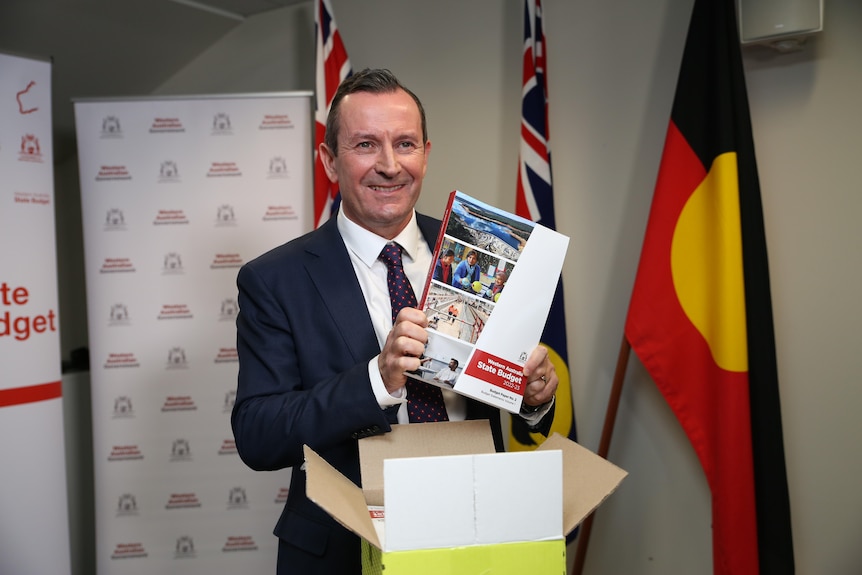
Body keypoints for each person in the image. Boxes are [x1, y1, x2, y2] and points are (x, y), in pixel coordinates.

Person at [232, 68, 557, 575]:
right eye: (365, 144)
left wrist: (533, 396)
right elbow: (257, 434)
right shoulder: (274, 279)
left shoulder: (481, 253)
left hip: (477, 541)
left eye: (404, 144)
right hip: (344, 552)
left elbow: (504, 393)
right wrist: (374, 381)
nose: (389, 165)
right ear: (329, 160)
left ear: (425, 154)